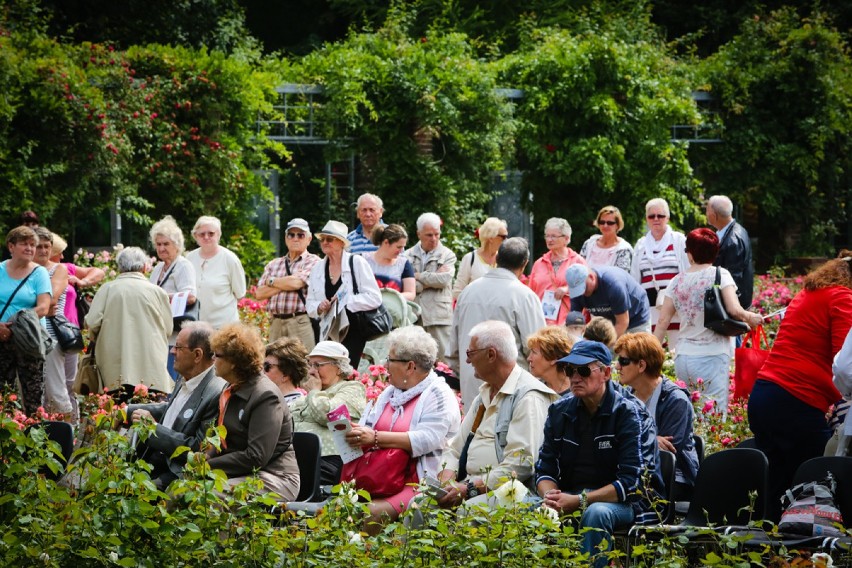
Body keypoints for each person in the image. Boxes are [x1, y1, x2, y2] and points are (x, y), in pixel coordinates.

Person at [535, 340, 661, 568]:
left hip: (626, 502)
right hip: (572, 496)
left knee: (595, 514)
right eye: (569, 370)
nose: (574, 377)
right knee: (521, 508)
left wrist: (579, 501)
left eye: (583, 370)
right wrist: (550, 498)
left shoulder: (629, 412)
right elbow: (545, 468)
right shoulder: (559, 411)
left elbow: (631, 484)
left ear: (605, 373)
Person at [748, 250, 852, 519]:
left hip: (766, 394)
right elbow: (845, 361)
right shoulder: (843, 297)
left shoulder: (809, 293)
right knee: (814, 488)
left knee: (778, 489)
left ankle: (771, 554)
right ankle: (802, 557)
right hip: (795, 399)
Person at [345, 326, 461, 534]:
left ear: (410, 366)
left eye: (390, 360)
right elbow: (369, 427)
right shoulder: (390, 393)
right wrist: (356, 433)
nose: (385, 365)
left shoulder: (438, 394)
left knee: (373, 514)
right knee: (341, 508)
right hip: (379, 476)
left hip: (418, 481)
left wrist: (376, 438)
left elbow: (428, 438)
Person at [435, 321, 558, 508]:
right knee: (420, 505)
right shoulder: (486, 392)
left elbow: (521, 465)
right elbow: (454, 448)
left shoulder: (528, 396)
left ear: (491, 354)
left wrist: (469, 488)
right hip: (470, 484)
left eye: (471, 353)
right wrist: (447, 481)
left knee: (471, 511)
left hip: (517, 489)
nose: (467, 361)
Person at [654, 228, 762, 413]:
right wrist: (751, 317)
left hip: (683, 357)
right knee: (714, 414)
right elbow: (734, 309)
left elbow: (663, 321)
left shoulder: (676, 281)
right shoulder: (720, 275)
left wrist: (650, 353)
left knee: (688, 412)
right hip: (711, 355)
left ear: (690, 252)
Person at [126, 321, 226, 490]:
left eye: (178, 347)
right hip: (153, 458)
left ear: (197, 355)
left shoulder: (215, 392)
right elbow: (172, 410)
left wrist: (153, 429)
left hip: (175, 470)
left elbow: (198, 450)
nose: (172, 352)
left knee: (132, 493)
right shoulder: (187, 374)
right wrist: (127, 411)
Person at [449, 237, 546, 409]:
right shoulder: (525, 296)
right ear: (525, 264)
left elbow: (454, 348)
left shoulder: (468, 292)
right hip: (512, 387)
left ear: (496, 258)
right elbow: (538, 349)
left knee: (475, 434)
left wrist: (466, 372)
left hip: (473, 383)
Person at [207, 322, 300, 500]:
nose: (213, 359)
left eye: (217, 355)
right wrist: (206, 454)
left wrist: (208, 465)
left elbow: (256, 457)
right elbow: (222, 435)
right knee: (181, 489)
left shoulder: (265, 396)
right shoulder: (231, 388)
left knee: (206, 496)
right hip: (243, 473)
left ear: (233, 362)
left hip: (275, 477)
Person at [614, 332, 699, 499]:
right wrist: (652, 439)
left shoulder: (675, 400)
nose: (617, 367)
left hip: (674, 479)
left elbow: (666, 454)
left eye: (623, 361)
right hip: (634, 474)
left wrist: (631, 440)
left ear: (641, 366)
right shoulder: (625, 397)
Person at [86, 247, 173, 395]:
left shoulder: (107, 289)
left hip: (114, 367)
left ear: (120, 268)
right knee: (149, 412)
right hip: (151, 367)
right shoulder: (158, 292)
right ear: (145, 267)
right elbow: (168, 329)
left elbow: (92, 323)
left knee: (114, 411)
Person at [306, 220, 383, 368]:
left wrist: (346, 302)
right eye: (322, 239)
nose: (325, 242)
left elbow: (375, 298)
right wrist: (320, 306)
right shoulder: (317, 268)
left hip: (354, 330)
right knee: (327, 373)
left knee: (347, 373)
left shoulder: (357, 262)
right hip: (328, 332)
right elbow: (310, 305)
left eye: (330, 239)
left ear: (342, 243)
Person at [290, 340, 366, 486]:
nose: (312, 371)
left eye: (318, 365)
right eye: (310, 365)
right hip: (296, 459)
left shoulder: (353, 389)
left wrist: (314, 392)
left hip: (329, 461)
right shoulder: (310, 395)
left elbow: (327, 416)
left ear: (338, 367)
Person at [0, 226, 51, 416]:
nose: (30, 249)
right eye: (24, 244)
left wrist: (14, 327)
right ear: (11, 247)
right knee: (3, 394)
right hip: (1, 339)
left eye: (33, 245)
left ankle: (34, 438)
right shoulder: (0, 270)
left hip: (29, 340)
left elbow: (43, 307)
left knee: (33, 395)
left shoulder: (39, 273)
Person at [54, 234, 104, 421]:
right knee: (51, 380)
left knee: (70, 381)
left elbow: (98, 272)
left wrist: (81, 282)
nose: (61, 257)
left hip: (69, 333)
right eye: (58, 253)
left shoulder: (67, 268)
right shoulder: (38, 272)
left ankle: (72, 422)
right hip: (49, 331)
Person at [630, 198, 689, 342]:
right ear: (647, 219)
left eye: (660, 215)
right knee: (651, 349)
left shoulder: (679, 240)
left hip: (674, 304)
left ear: (667, 217)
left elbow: (687, 271)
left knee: (676, 348)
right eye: (651, 216)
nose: (656, 219)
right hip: (649, 306)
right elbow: (634, 278)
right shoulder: (641, 244)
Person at [256, 218, 320, 350]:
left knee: (303, 365)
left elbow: (296, 283)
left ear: (309, 239)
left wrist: (272, 281)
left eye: (300, 235)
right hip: (276, 323)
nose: (295, 238)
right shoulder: (274, 264)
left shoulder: (314, 261)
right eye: (291, 235)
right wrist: (287, 282)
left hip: (300, 321)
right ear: (286, 238)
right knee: (273, 365)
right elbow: (259, 293)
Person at [148, 216, 197, 380]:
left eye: (166, 244)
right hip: (159, 334)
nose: (161, 248)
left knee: (172, 380)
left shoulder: (183, 265)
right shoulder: (158, 268)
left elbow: (190, 296)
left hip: (176, 335)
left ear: (177, 245)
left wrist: (161, 296)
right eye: (158, 244)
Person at [33, 228, 73, 417]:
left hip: (51, 335)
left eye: (47, 246)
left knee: (55, 387)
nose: (43, 251)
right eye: (38, 246)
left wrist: (21, 308)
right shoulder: (22, 269)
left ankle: (67, 433)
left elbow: (52, 299)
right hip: (27, 333)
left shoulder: (58, 269)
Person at [406, 213, 457, 361]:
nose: (434, 239)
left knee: (444, 362)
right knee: (415, 361)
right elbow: (405, 284)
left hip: (439, 316)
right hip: (414, 316)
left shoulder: (448, 255)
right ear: (418, 234)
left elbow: (443, 280)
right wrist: (430, 278)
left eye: (437, 234)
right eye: (429, 235)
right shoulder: (406, 255)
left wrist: (418, 276)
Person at [186, 216, 246, 329]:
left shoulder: (230, 259)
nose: (206, 237)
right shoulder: (189, 258)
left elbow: (240, 293)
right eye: (202, 234)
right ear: (195, 236)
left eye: (211, 233)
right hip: (195, 327)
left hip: (224, 328)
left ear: (218, 234)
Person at [527, 218, 587, 325]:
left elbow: (587, 289)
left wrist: (567, 289)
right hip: (541, 323)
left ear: (566, 238)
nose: (549, 240)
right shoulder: (539, 263)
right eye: (547, 235)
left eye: (553, 236)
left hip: (568, 324)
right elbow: (530, 294)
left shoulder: (578, 261)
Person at [567, 264, 651, 337]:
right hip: (611, 321)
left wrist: (607, 349)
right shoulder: (577, 293)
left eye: (584, 288)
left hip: (636, 317)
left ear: (592, 277)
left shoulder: (613, 285)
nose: (582, 293)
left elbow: (623, 322)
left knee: (637, 352)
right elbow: (574, 324)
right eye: (578, 290)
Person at [706, 195, 754, 310]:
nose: (706, 214)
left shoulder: (733, 241)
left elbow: (732, 279)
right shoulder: (735, 230)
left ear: (714, 215)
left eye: (706, 210)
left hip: (733, 307)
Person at [452, 217, 508, 300]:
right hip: (475, 310)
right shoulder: (470, 259)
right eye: (503, 237)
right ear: (491, 238)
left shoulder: (505, 259)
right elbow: (457, 292)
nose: (507, 240)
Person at [363, 224, 416, 301]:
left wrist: (387, 299)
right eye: (398, 247)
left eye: (403, 247)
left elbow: (411, 293)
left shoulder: (404, 263)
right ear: (386, 242)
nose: (402, 251)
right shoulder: (363, 260)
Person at [579, 205, 634, 272]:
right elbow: (579, 269)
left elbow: (621, 277)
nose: (605, 225)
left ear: (617, 225)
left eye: (610, 223)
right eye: (602, 222)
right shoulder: (588, 244)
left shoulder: (624, 249)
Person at [526, 326, 575, 395]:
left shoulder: (578, 392)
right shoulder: (533, 391)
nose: (529, 359)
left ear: (554, 358)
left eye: (534, 352)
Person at [264, 337, 309, 406]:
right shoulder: (271, 400)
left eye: (267, 366)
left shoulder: (295, 406)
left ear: (285, 374)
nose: (262, 371)